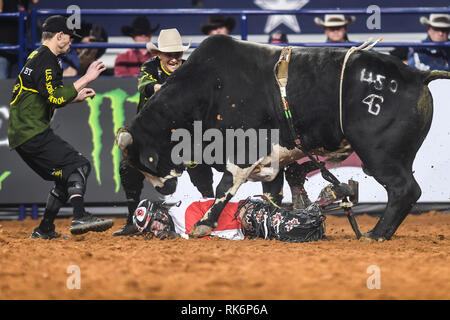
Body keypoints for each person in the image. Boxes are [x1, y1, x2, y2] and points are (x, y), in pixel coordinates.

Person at [8, 15, 114, 239]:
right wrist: (86, 78)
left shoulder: (39, 55)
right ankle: (80, 216)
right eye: (69, 38)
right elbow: (55, 98)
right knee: (79, 166)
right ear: (59, 36)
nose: (72, 42)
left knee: (66, 176)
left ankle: (45, 228)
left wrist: (75, 97)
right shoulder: (46, 59)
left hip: (24, 133)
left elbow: (47, 96)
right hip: (31, 131)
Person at [114, 28, 215, 236]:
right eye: (169, 54)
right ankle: (132, 219)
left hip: (181, 133)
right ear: (159, 55)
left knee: (200, 169)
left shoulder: (189, 70)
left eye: (177, 54)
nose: (174, 58)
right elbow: (146, 87)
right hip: (150, 134)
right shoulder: (149, 67)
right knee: (128, 167)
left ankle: (212, 214)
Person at [131, 182, 352, 242]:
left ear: (160, 213)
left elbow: (205, 241)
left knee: (300, 227)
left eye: (154, 224)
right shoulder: (178, 219)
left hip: (249, 215)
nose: (156, 231)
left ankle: (329, 195)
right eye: (150, 231)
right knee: (310, 235)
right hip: (249, 225)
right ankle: (300, 195)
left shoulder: (184, 218)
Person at [0, 0, 39, 79]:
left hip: (21, 50)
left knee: (21, 85)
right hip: (4, 49)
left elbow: (35, 1)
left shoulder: (24, 2)